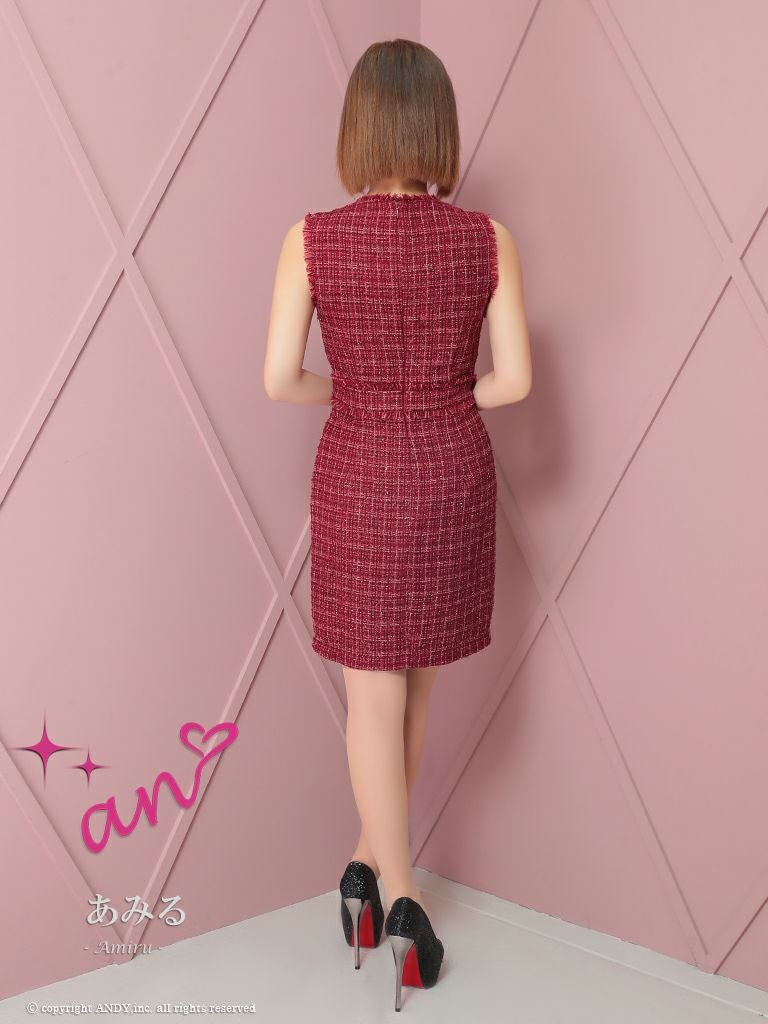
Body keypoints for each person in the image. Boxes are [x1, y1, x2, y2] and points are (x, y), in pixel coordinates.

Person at [263, 38, 532, 1011]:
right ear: (438, 130)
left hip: (358, 475)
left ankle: (398, 896)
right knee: (413, 691)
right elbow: (515, 381)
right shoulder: (487, 239)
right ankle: (369, 873)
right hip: (451, 474)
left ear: (359, 131)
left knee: (372, 700)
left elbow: (279, 378)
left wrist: (357, 392)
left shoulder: (311, 239)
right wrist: (442, 395)